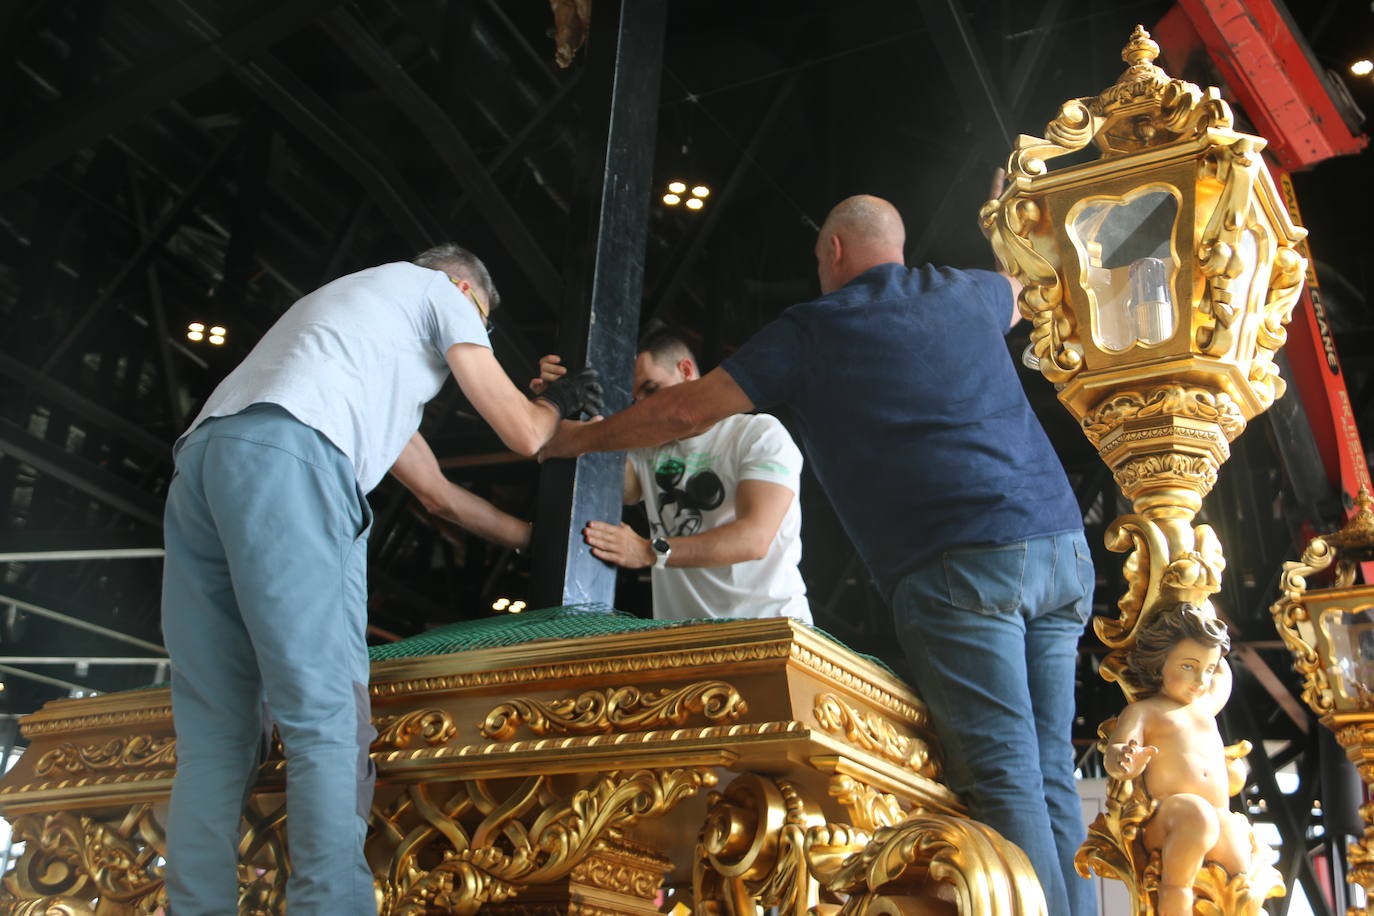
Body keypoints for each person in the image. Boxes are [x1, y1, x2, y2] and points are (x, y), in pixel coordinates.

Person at [540, 195, 1094, 916]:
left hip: (958, 564)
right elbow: (1023, 290)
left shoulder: (813, 328)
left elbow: (683, 410)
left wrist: (569, 438)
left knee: (1005, 774)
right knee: (1052, 770)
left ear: (833, 253)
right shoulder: (968, 292)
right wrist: (1008, 225)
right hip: (1060, 547)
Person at [160, 243, 602, 916]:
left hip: (204, 463)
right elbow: (521, 431)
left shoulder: (347, 342)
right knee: (326, 712)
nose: (473, 342)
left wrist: (539, 543)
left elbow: (441, 498)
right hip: (294, 458)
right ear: (460, 287)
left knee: (217, 733)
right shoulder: (436, 293)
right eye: (479, 326)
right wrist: (558, 406)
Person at [539, 331, 810, 623]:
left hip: (771, 631)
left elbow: (754, 539)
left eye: (652, 389)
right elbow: (618, 483)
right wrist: (558, 400)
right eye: (635, 400)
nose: (643, 407)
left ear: (686, 371)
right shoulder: (648, 448)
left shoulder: (758, 434)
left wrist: (648, 550)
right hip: (685, 644)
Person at [1105, 604, 1248, 916]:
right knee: (1196, 815)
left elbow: (1222, 671)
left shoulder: (1205, 705)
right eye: (1188, 666)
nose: (1200, 679)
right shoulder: (1146, 712)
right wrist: (1127, 759)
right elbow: (1116, 752)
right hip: (1170, 818)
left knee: (1235, 842)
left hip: (1215, 812)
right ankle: (1174, 894)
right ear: (1159, 665)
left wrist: (1204, 610)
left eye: (1206, 670)